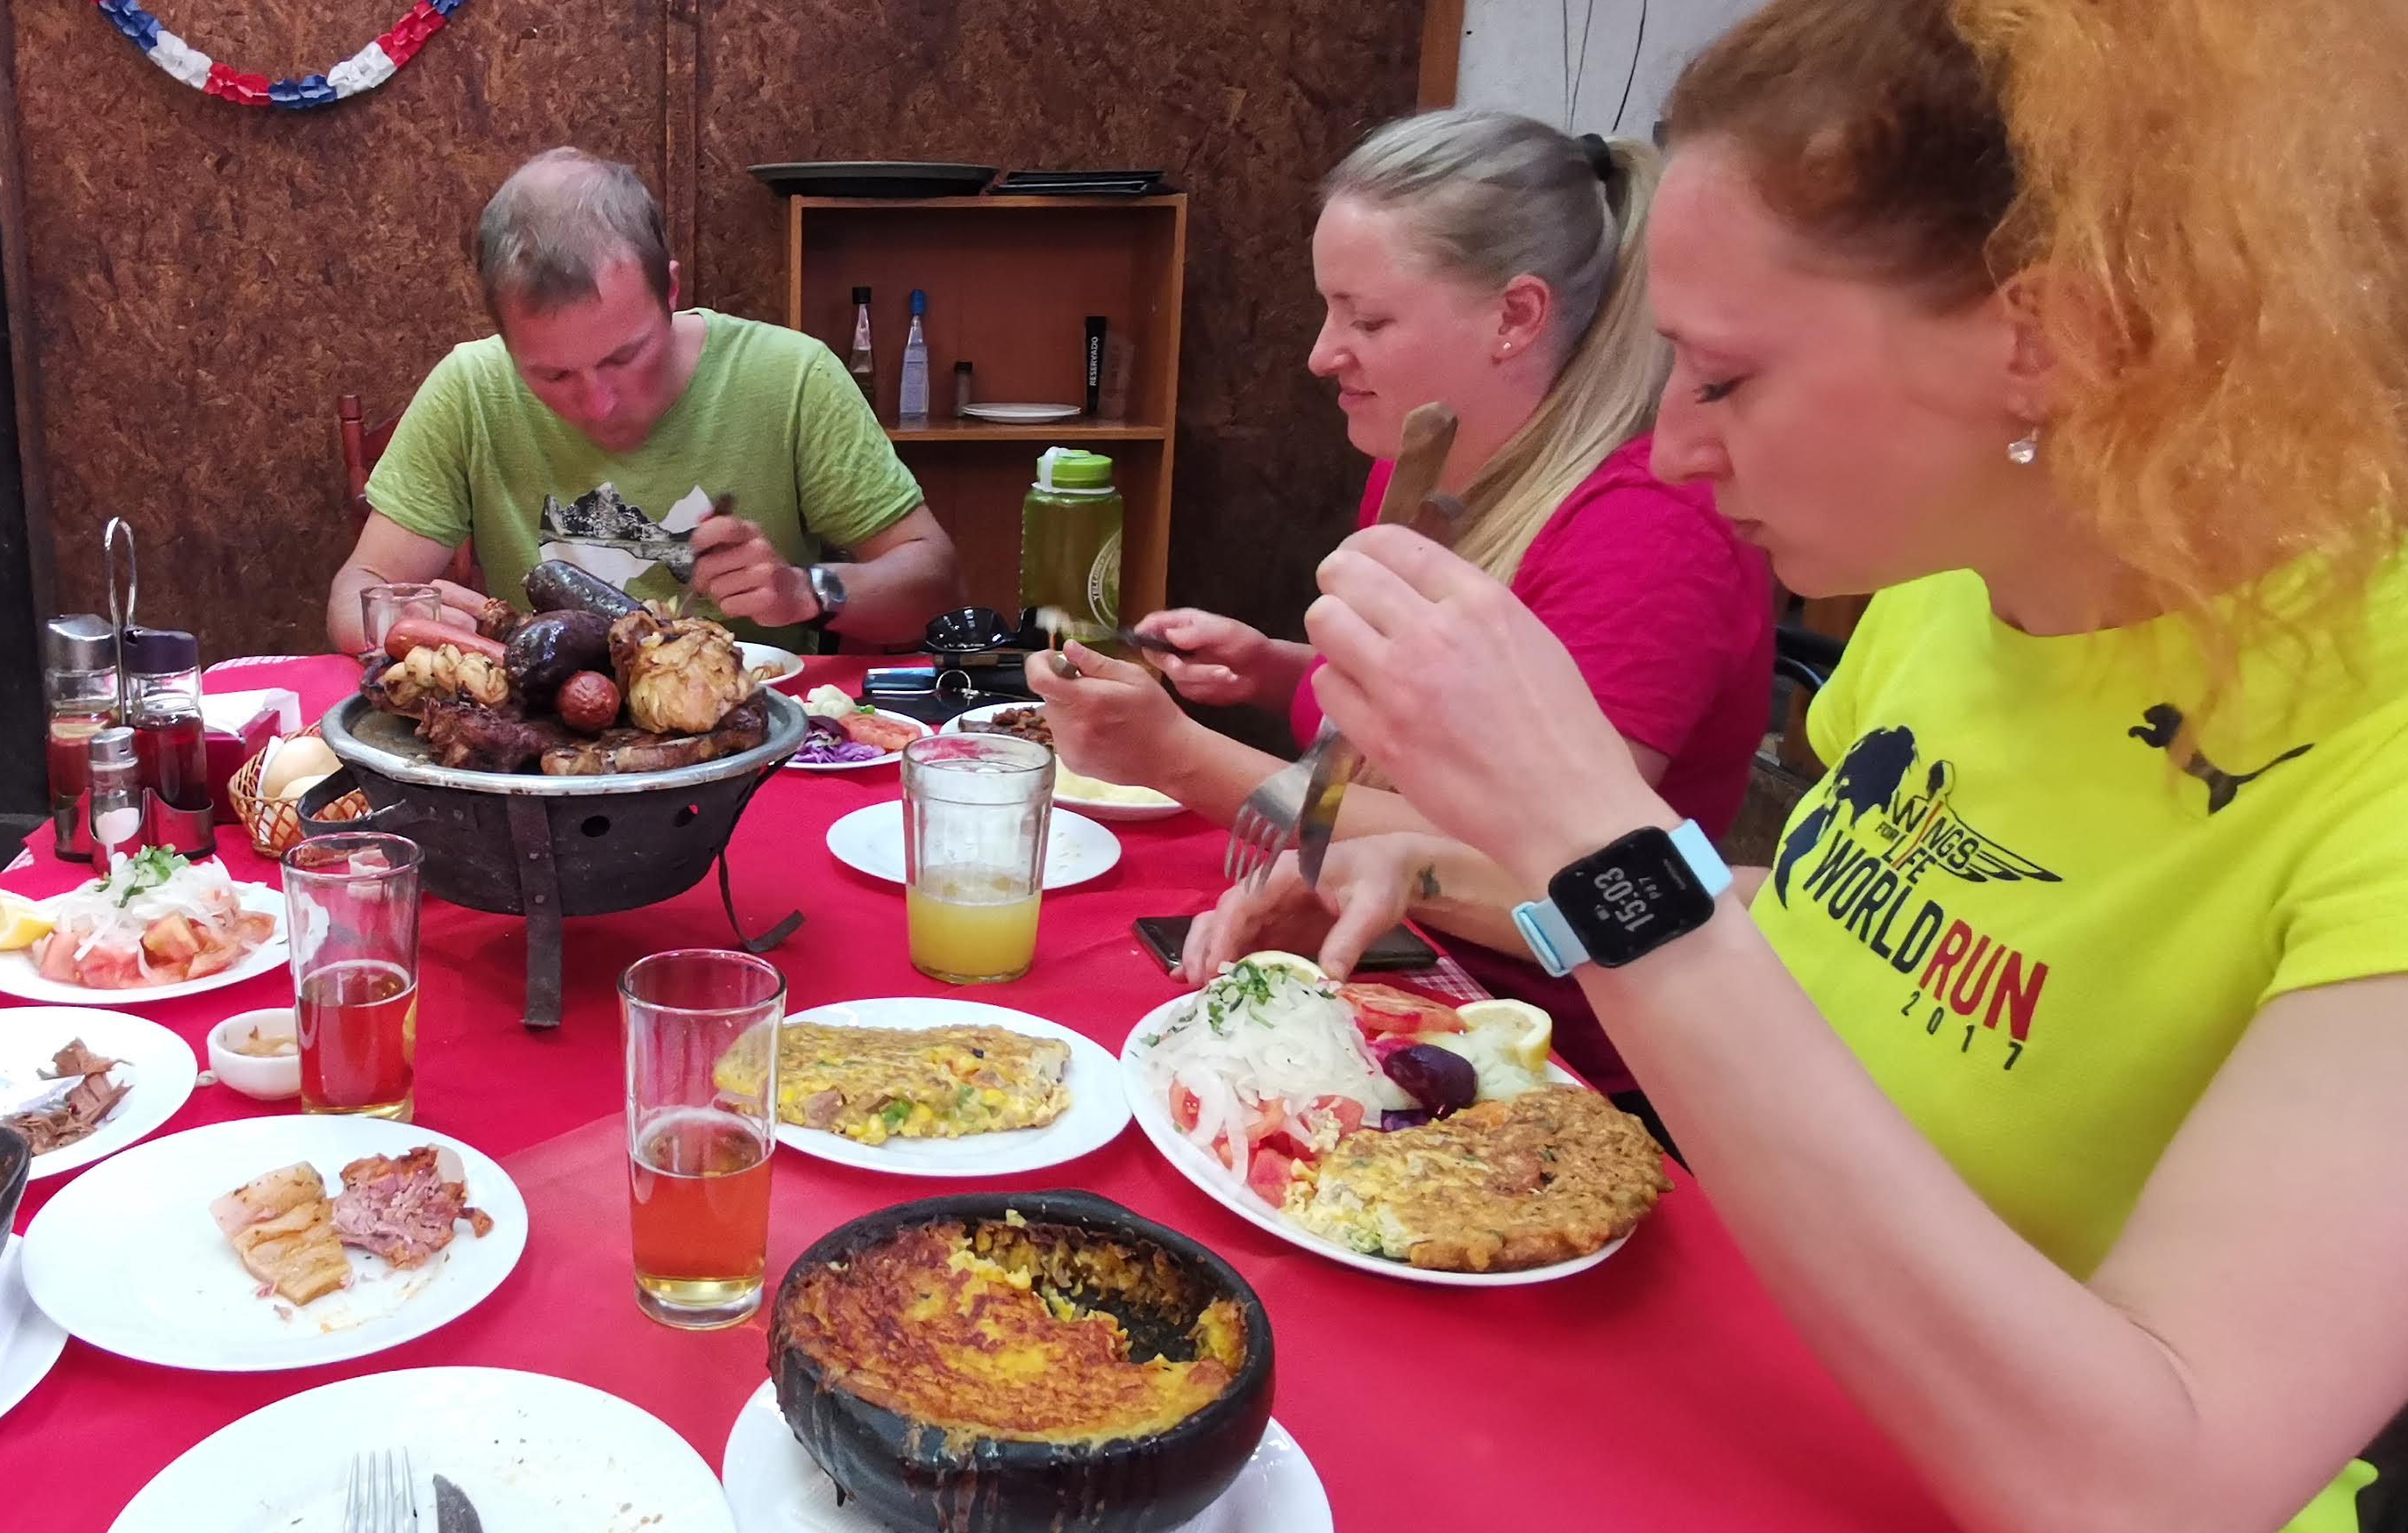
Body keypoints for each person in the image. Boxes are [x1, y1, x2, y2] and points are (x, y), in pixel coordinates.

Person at [1197, 0, 2408, 1533]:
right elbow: (1848, 966)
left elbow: (2128, 1500)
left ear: (2045, 341)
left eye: (1722, 374)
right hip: (1755, 1459)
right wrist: (1475, 866)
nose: (1668, 448)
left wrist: (1590, 837)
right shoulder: (1941, 603)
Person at [1027, 112, 1772, 1094]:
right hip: (1381, 957)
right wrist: (1277, 668)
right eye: (1327, 312)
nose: (1320, 354)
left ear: (1515, 316)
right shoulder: (1424, 461)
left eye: (1366, 321)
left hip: (1559, 1056)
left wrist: (1174, 756)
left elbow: (1549, 865)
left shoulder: (1649, 536)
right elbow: (1444, 727)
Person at [325, 148, 963, 652]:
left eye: (624, 357)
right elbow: (356, 592)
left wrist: (805, 590)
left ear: (671, 292)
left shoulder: (791, 377)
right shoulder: (472, 386)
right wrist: (412, 620)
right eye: (552, 375)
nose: (597, 404)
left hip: (760, 745)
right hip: (544, 748)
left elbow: (936, 584)